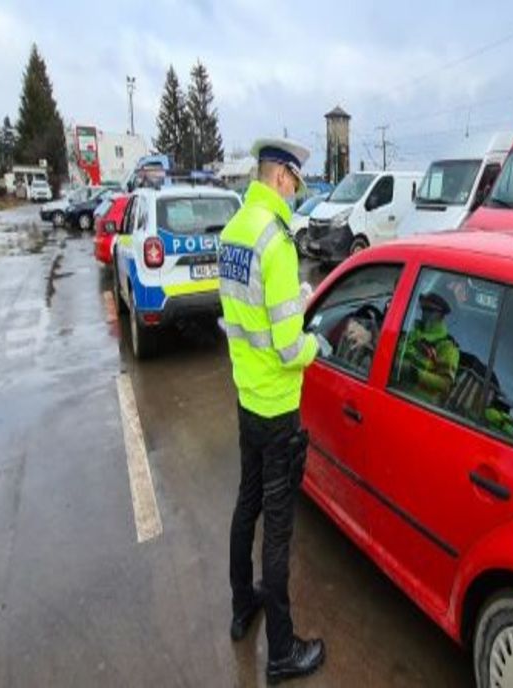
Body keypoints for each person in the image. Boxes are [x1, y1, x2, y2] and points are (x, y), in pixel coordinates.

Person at [218, 137, 331, 684]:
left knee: (247, 507)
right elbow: (290, 346)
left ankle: (243, 607)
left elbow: (249, 317)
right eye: (295, 182)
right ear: (283, 177)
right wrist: (317, 346)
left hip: (245, 398)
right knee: (280, 534)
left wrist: (297, 300)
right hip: (280, 407)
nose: (296, 192)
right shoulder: (278, 241)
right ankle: (283, 653)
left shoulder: (235, 232)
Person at [393, 292, 460, 405]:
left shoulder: (447, 346)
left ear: (441, 316)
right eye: (423, 309)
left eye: (430, 311)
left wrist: (414, 373)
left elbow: (445, 384)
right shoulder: (412, 332)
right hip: (394, 390)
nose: (424, 314)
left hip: (418, 403)